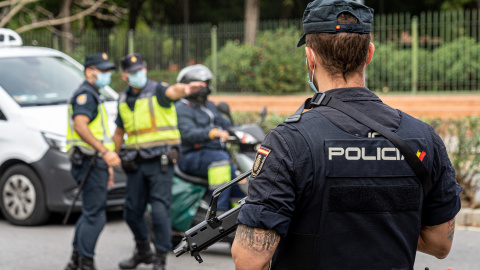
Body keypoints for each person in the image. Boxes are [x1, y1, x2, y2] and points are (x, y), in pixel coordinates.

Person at [231, 1, 462, 270]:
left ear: (310, 58)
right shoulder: (423, 137)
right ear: (369, 54)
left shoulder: (288, 143)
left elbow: (248, 260)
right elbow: (440, 244)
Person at [114, 53, 205, 270]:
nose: (139, 74)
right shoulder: (123, 99)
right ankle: (143, 250)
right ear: (125, 76)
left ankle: (160, 258)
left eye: (141, 70)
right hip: (135, 162)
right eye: (133, 72)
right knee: (131, 211)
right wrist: (112, 155)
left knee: (159, 211)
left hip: (160, 161)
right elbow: (119, 131)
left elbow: (172, 91)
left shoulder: (157, 90)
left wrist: (185, 89)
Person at [64, 52, 121, 270]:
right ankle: (85, 263)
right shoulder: (86, 95)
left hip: (93, 162)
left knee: (90, 213)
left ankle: (76, 260)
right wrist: (105, 153)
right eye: (103, 71)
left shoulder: (92, 94)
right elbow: (80, 126)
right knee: (95, 217)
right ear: (90, 72)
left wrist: (106, 163)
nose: (107, 75)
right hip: (89, 161)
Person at [175, 64, 245, 212]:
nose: (206, 87)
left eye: (207, 83)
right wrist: (211, 133)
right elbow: (187, 133)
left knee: (235, 174)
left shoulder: (208, 105)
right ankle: (218, 212)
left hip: (212, 154)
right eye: (202, 84)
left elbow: (224, 123)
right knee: (221, 161)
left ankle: (241, 211)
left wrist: (241, 130)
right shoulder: (182, 107)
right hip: (191, 156)